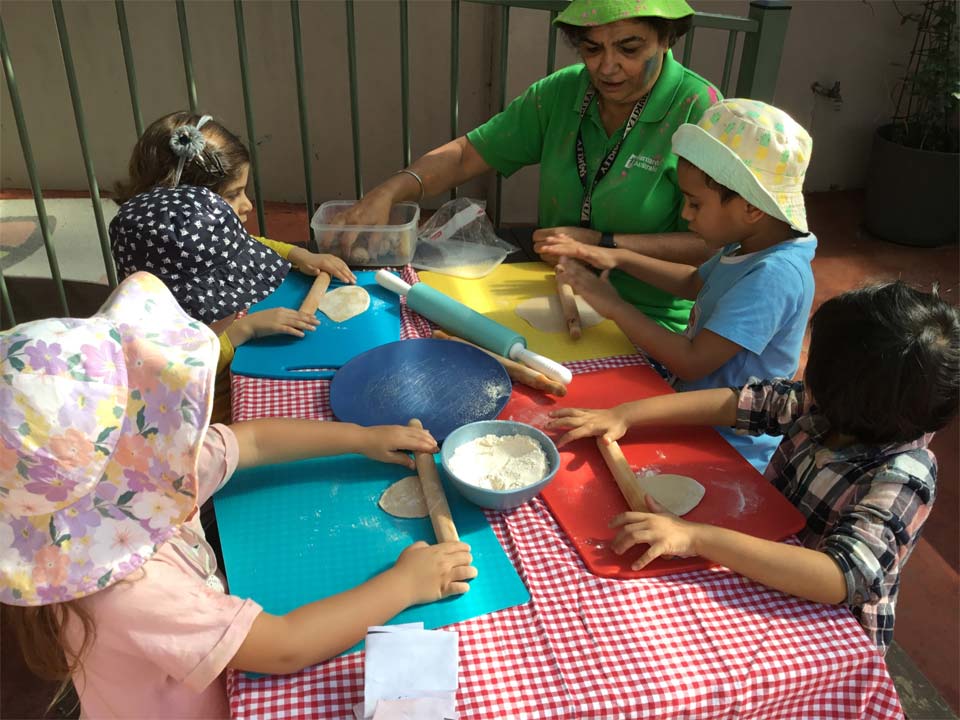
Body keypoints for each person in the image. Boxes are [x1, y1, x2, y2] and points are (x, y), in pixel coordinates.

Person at [1, 271, 477, 718]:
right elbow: (283, 645)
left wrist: (358, 437)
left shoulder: (136, 480)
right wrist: (406, 585)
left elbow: (247, 441)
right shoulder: (127, 591)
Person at [546, 281, 960, 655]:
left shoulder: (904, 475)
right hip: (756, 560)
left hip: (818, 631)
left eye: (815, 371)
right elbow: (739, 403)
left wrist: (695, 537)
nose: (805, 379)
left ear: (852, 396)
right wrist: (626, 415)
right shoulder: (832, 408)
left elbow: (839, 576)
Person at [333, 0, 719, 333]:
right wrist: (391, 190)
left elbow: (713, 247)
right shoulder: (562, 92)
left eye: (629, 49)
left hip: (650, 319)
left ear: (667, 39)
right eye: (591, 49)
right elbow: (469, 154)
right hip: (557, 291)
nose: (607, 67)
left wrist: (601, 244)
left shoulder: (700, 109)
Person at [540, 99, 816, 471]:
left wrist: (613, 305)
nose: (685, 214)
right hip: (686, 411)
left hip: (725, 444)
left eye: (695, 204)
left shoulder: (774, 274)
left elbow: (692, 362)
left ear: (751, 208)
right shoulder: (747, 244)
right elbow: (694, 283)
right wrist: (616, 256)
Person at [111, 112, 357, 422]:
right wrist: (244, 329)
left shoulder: (175, 247)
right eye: (232, 194)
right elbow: (175, 370)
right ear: (185, 205)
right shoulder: (157, 295)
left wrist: (295, 253)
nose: (248, 205)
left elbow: (240, 242)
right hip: (192, 414)